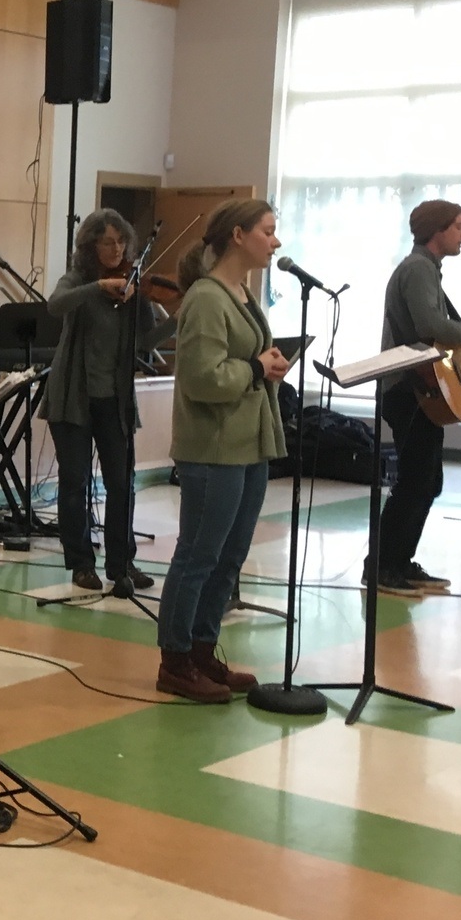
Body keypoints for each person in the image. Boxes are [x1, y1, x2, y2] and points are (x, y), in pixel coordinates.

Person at [153, 200, 286, 703]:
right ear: (237, 235)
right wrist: (255, 368)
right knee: (198, 555)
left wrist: (267, 366)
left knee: (230, 557)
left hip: (248, 442)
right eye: (267, 231)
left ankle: (203, 650)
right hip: (213, 447)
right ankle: (175, 660)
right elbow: (201, 377)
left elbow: (245, 362)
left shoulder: (242, 293)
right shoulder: (207, 298)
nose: (275, 241)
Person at [371, 199, 461, 596]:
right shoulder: (418, 269)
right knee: (416, 481)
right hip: (408, 390)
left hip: (421, 389)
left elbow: (441, 343)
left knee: (427, 480)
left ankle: (399, 561)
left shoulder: (427, 270)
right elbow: (430, 325)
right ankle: (381, 567)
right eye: (458, 226)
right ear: (437, 230)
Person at [44, 209, 172, 597]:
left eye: (121, 241)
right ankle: (81, 563)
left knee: (121, 483)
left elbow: (145, 343)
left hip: (115, 400)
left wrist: (179, 317)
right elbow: (55, 304)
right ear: (91, 246)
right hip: (73, 396)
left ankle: (122, 563)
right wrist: (98, 286)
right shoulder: (78, 279)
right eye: (107, 242)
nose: (116, 249)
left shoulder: (133, 288)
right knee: (75, 481)